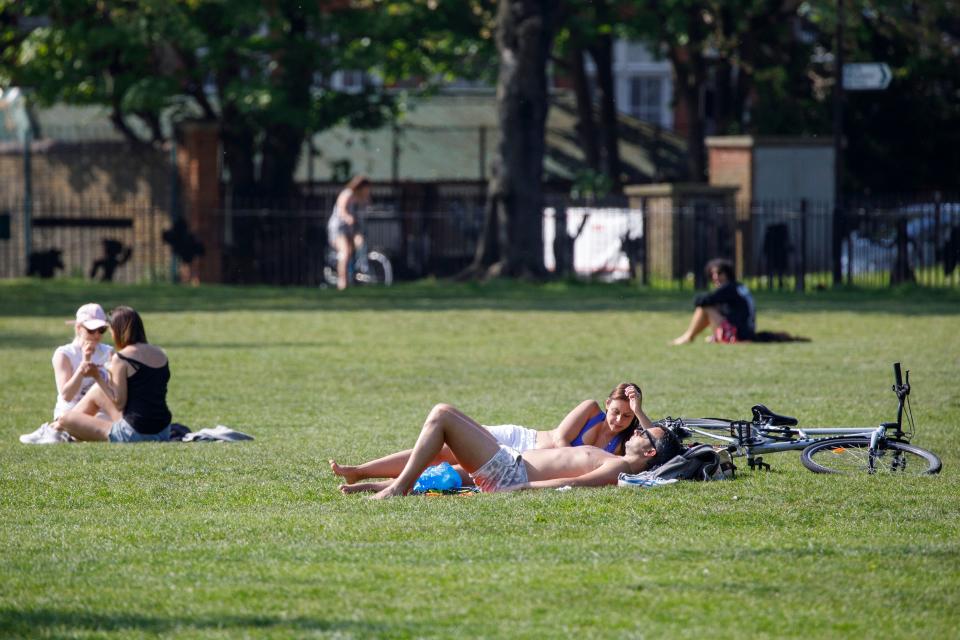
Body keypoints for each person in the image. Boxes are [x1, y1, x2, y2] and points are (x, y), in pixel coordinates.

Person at [330, 383, 655, 485]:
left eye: (626, 417)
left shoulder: (624, 444)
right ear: (608, 403)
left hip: (523, 464)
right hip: (524, 442)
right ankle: (361, 471)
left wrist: (638, 410)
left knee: (457, 467)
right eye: (616, 411)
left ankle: (390, 483)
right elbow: (559, 440)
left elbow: (655, 437)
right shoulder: (591, 408)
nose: (618, 420)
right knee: (443, 450)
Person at [344, 403, 680, 498]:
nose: (637, 431)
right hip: (511, 463)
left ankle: (398, 489)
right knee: (446, 422)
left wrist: (521, 487)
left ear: (649, 452)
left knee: (442, 415)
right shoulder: (617, 458)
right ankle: (387, 484)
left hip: (510, 473)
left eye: (644, 434)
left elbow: (574, 484)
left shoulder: (617, 467)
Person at [51, 306, 173, 443]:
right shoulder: (161, 353)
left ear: (118, 331)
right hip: (164, 430)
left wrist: (97, 376)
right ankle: (57, 429)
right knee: (97, 391)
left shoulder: (122, 358)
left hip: (136, 432)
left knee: (65, 419)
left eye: (106, 330)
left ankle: (55, 429)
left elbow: (119, 403)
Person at [19, 303, 115, 444]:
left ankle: (59, 433)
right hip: (71, 411)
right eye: (91, 330)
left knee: (108, 422)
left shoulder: (108, 352)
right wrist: (83, 367)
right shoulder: (64, 354)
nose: (96, 335)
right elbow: (67, 396)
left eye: (101, 330)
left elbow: (114, 392)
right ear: (78, 328)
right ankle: (63, 432)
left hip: (100, 412)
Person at [671, 257, 756, 345]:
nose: (715, 277)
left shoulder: (728, 289)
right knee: (713, 306)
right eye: (712, 274)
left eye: (719, 273)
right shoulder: (738, 287)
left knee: (705, 308)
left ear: (728, 274)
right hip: (747, 333)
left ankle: (688, 337)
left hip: (737, 335)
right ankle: (713, 336)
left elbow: (702, 301)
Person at [327, 174, 372, 290]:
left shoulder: (360, 197)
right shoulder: (347, 193)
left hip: (352, 228)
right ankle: (342, 282)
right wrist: (348, 217)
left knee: (360, 246)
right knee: (345, 253)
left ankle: (357, 274)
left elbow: (367, 207)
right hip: (339, 228)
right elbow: (342, 209)